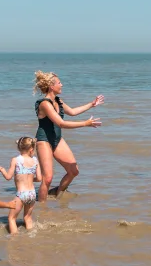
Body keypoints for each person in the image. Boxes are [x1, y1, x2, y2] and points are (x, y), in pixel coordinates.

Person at [33, 71, 103, 202]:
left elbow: (72, 112)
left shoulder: (58, 100)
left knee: (73, 171)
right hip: (44, 141)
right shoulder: (45, 103)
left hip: (57, 139)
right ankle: (42, 210)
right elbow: (61, 123)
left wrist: (91, 104)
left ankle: (57, 195)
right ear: (51, 86)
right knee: (47, 178)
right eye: (59, 83)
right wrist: (85, 124)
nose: (62, 85)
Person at [0, 136, 41, 234]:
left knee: (11, 218)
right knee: (27, 217)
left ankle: (15, 240)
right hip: (32, 194)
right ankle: (31, 236)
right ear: (31, 149)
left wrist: (2, 170)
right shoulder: (35, 161)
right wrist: (31, 179)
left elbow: (8, 177)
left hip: (21, 194)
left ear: (19, 147)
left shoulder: (16, 160)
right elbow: (39, 178)